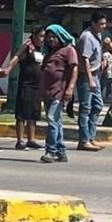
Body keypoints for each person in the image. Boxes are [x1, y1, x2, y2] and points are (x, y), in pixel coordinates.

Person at [0, 27, 46, 150]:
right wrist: (8, 69)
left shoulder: (41, 48)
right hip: (26, 85)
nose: (42, 39)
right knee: (22, 113)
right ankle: (20, 140)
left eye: (44, 36)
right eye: (41, 36)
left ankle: (31, 140)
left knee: (34, 114)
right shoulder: (26, 46)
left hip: (37, 86)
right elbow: (16, 57)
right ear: (34, 35)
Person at [39, 25, 80, 163]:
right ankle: (61, 151)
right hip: (47, 92)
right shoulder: (49, 52)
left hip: (59, 92)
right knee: (56, 121)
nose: (50, 39)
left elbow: (74, 69)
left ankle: (50, 151)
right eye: (48, 37)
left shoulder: (69, 50)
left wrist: (70, 88)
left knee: (51, 119)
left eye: (53, 36)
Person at [75, 13, 109, 151]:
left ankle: (90, 136)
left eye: (104, 24)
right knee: (86, 108)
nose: (103, 27)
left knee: (98, 105)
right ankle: (84, 140)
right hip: (86, 76)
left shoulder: (98, 36)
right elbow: (85, 59)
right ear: (93, 23)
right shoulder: (87, 37)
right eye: (101, 24)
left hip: (96, 75)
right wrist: (90, 79)